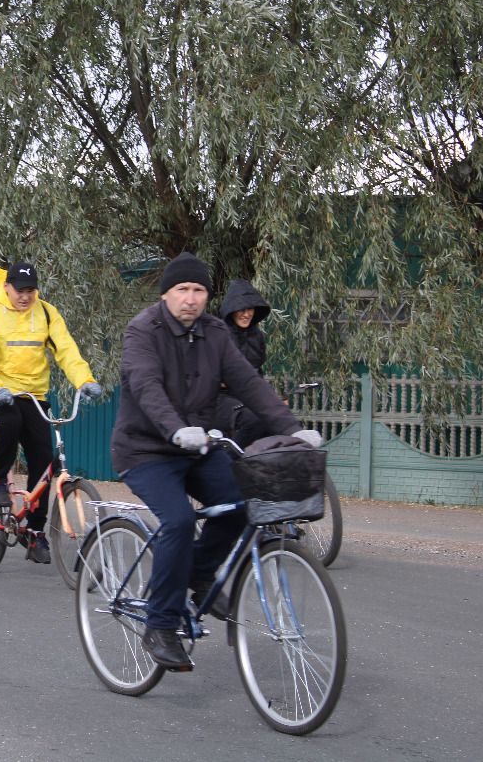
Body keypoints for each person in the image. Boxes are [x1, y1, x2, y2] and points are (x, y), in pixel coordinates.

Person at [110, 252, 322, 669]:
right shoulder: (143, 330)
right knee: (179, 521)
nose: (190, 299)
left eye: (199, 290)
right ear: (166, 293)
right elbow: (146, 385)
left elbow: (248, 383)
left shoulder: (214, 333)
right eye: (182, 290)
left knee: (246, 504)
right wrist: (174, 429)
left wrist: (292, 430)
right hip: (146, 450)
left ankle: (197, 569)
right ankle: (161, 624)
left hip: (199, 448)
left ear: (208, 296)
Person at [0, 262, 103, 564]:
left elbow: (66, 349)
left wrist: (85, 380)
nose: (25, 297)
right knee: (9, 421)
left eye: (31, 290)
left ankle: (36, 532)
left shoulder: (46, 312)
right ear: (7, 287)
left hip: (34, 395)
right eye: (20, 290)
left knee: (43, 460)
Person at [214, 278, 274, 445]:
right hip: (219, 400)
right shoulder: (219, 334)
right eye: (241, 309)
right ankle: (231, 459)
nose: (247, 314)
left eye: (250, 309)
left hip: (247, 395)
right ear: (231, 309)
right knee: (254, 420)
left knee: (276, 419)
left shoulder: (257, 336)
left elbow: (258, 371)